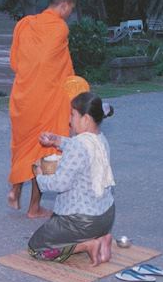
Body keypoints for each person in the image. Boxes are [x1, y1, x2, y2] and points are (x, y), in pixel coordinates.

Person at [8, 0, 76, 218]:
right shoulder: (59, 28)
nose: (68, 15)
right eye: (70, 10)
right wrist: (72, 90)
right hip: (47, 99)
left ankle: (15, 191)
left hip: (23, 97)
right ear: (64, 5)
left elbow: (16, 62)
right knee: (44, 151)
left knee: (22, 146)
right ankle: (34, 207)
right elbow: (60, 66)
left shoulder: (24, 24)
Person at [28, 92, 116, 266]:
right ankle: (102, 239)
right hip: (106, 218)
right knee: (55, 224)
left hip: (83, 222)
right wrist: (57, 140)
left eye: (73, 115)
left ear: (86, 119)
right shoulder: (100, 139)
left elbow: (60, 183)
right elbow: (80, 149)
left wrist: (39, 175)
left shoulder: (78, 145)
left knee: (36, 248)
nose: (69, 120)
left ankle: (87, 245)